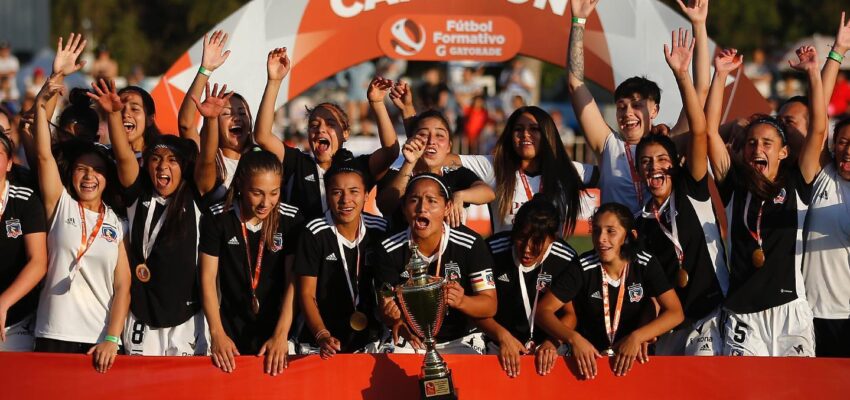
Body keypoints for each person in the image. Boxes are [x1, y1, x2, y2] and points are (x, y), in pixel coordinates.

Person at [706, 46, 827, 357]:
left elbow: (818, 130)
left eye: (767, 143)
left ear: (783, 152)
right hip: (742, 314)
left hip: (790, 312)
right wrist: (720, 75)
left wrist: (814, 72)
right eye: (751, 143)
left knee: (797, 390)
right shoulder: (734, 184)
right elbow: (708, 133)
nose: (757, 148)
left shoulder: (798, 182)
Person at [90, 78, 209, 356]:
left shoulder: (195, 195)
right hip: (141, 314)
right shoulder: (138, 193)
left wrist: (211, 120)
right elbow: (123, 158)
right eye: (156, 160)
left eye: (172, 161)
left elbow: (202, 154)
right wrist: (113, 115)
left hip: (186, 318)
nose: (163, 167)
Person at [566, 0, 709, 215]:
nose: (627, 113)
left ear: (654, 111)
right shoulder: (608, 145)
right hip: (618, 247)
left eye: (636, 105)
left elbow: (700, 91)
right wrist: (578, 21)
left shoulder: (670, 144)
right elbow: (575, 84)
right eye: (621, 107)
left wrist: (699, 24)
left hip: (661, 245)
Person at [635, 29, 728, 355]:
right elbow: (650, 283)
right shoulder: (642, 220)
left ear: (674, 163)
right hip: (672, 325)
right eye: (646, 162)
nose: (654, 167)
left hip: (710, 316)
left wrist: (681, 75)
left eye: (662, 159)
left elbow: (699, 128)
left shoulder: (692, 187)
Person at [32, 79, 130, 373]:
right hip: (53, 333)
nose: (89, 176)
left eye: (97, 170)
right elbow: (43, 155)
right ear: (71, 174)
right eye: (81, 169)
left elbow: (123, 285)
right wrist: (41, 102)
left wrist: (113, 337)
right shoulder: (59, 203)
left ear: (107, 178)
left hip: (99, 342)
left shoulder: (117, 221)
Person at [536, 203, 684, 378]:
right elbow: (542, 311)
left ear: (630, 236)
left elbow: (676, 313)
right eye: (597, 231)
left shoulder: (645, 263)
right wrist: (573, 339)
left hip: (632, 356)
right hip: (589, 361)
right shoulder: (582, 266)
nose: (601, 239)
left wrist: (637, 337)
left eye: (610, 231)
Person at [254, 47, 399, 220]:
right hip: (304, 246)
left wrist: (377, 104)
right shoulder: (297, 163)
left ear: (345, 133)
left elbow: (391, 151)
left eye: (330, 124)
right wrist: (274, 81)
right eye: (314, 125)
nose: (320, 129)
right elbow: (262, 136)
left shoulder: (358, 166)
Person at [199, 149, 303, 374]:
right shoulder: (218, 217)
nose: (266, 202)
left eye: (274, 193)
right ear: (240, 185)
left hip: (278, 331)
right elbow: (207, 278)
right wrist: (217, 334)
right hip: (229, 334)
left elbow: (293, 282)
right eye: (257, 193)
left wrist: (281, 335)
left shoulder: (291, 219)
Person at [376, 174, 496, 354]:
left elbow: (489, 305)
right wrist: (393, 318)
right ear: (403, 208)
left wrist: (462, 301)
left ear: (447, 207)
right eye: (414, 200)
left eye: (432, 201)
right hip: (410, 338)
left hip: (460, 337)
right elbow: (385, 307)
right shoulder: (388, 248)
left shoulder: (470, 243)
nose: (422, 208)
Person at [295, 155, 388, 357]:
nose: (346, 200)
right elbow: (306, 294)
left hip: (371, 341)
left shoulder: (380, 229)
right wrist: (322, 335)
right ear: (327, 195)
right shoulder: (313, 232)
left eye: (354, 192)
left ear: (366, 195)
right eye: (337, 192)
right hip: (323, 341)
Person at [479, 197, 578, 377]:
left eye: (537, 241)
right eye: (521, 238)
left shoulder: (566, 259)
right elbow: (477, 309)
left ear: (552, 239)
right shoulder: (492, 251)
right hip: (500, 346)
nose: (526, 249)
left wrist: (553, 341)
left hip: (549, 349)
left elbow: (570, 314)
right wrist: (502, 336)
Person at [376, 110, 494, 229]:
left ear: (449, 147)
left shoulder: (456, 174)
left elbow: (488, 193)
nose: (431, 141)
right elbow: (385, 206)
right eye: (423, 134)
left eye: (440, 135)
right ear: (411, 140)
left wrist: (459, 196)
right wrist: (409, 163)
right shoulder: (395, 173)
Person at [178, 30, 252, 194]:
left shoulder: (259, 158)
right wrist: (205, 69)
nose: (236, 117)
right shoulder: (206, 154)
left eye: (242, 113)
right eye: (226, 113)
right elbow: (186, 124)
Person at [0, 131, 47, 351]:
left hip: (18, 322)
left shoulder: (26, 199)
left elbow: (38, 261)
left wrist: (3, 303)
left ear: (9, 163)